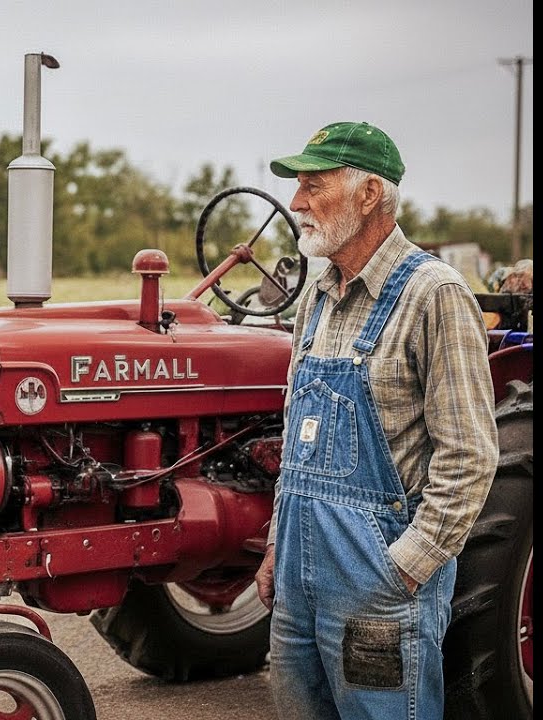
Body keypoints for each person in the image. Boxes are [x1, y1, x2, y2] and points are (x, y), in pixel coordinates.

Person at [253, 122, 498, 719]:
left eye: (315, 186)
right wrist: (274, 550)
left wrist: (403, 571)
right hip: (296, 591)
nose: (297, 203)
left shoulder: (433, 293)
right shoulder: (314, 296)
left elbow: (470, 455)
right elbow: (298, 440)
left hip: (379, 589)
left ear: (369, 196)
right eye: (298, 187)